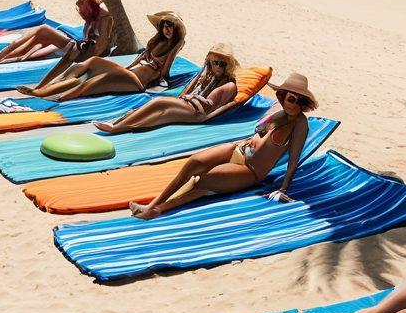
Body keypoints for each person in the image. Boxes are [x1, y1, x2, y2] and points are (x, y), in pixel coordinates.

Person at [128, 72, 316, 219]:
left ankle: (158, 210)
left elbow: (293, 159)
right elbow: (260, 130)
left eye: (300, 101)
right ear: (283, 97)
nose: (295, 104)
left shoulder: (300, 125)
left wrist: (283, 188)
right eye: (291, 98)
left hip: (249, 169)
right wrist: (257, 135)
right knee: (193, 162)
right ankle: (152, 203)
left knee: (204, 180)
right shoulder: (279, 113)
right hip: (237, 149)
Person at [20, 10, 185, 101]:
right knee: (91, 62)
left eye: (171, 26)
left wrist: (158, 62)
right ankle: (44, 88)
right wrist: (129, 65)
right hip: (128, 72)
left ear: (176, 30)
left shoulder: (172, 48)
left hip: (137, 81)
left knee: (90, 83)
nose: (167, 29)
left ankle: (53, 97)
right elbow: (139, 59)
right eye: (165, 26)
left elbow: (164, 72)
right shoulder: (157, 42)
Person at [95, 43, 239, 134]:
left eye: (223, 64)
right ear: (209, 61)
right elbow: (185, 92)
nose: (219, 67)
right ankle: (120, 124)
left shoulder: (229, 85)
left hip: (199, 113)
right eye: (215, 62)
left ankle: (116, 128)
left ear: (229, 65)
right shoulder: (205, 75)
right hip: (189, 105)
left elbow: (208, 105)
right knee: (158, 113)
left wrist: (188, 98)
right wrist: (186, 95)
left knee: (159, 103)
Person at [0, 0, 112, 68]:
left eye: (81, 8)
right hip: (75, 47)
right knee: (34, 48)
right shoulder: (93, 18)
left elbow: (98, 49)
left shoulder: (104, 19)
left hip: (80, 53)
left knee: (43, 30)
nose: (80, 13)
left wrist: (82, 53)